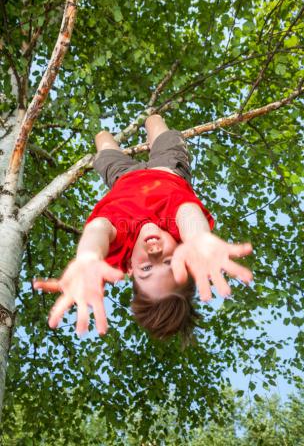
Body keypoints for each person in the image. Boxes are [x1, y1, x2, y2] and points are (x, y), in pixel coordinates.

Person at [34, 115, 253, 341]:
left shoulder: (119, 242)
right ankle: (147, 115)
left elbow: (97, 229)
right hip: (167, 166)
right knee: (156, 122)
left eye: (147, 269)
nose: (155, 253)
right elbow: (189, 213)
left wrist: (88, 257)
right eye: (168, 262)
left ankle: (101, 126)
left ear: (130, 268)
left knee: (102, 142)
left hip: (122, 177)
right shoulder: (177, 226)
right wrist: (198, 239)